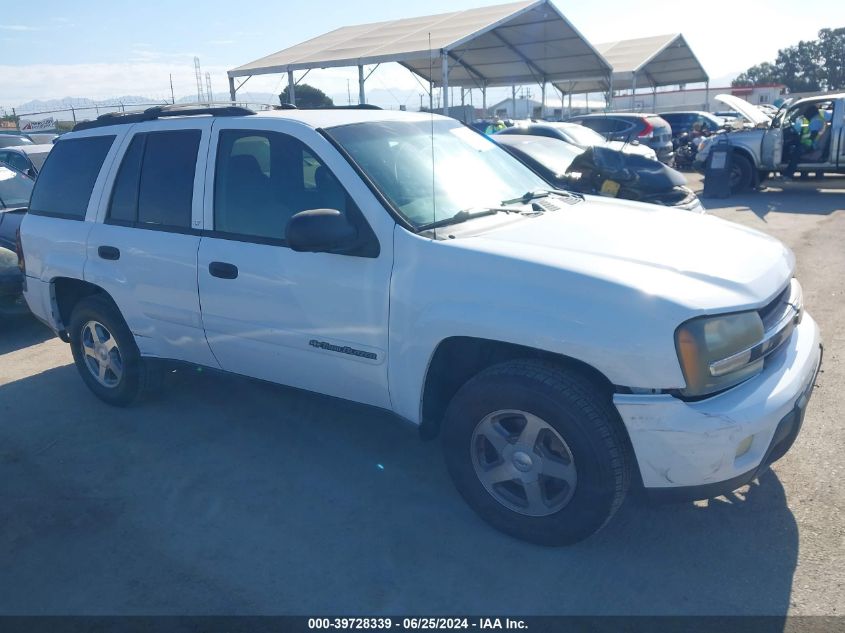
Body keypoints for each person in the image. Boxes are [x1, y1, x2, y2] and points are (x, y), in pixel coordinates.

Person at [782, 106, 826, 180]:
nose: (806, 117)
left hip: (810, 145)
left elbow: (813, 135)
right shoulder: (819, 118)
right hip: (812, 143)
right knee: (795, 146)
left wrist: (800, 139)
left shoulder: (815, 120)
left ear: (811, 113)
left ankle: (788, 175)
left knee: (795, 153)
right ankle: (803, 175)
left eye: (806, 115)